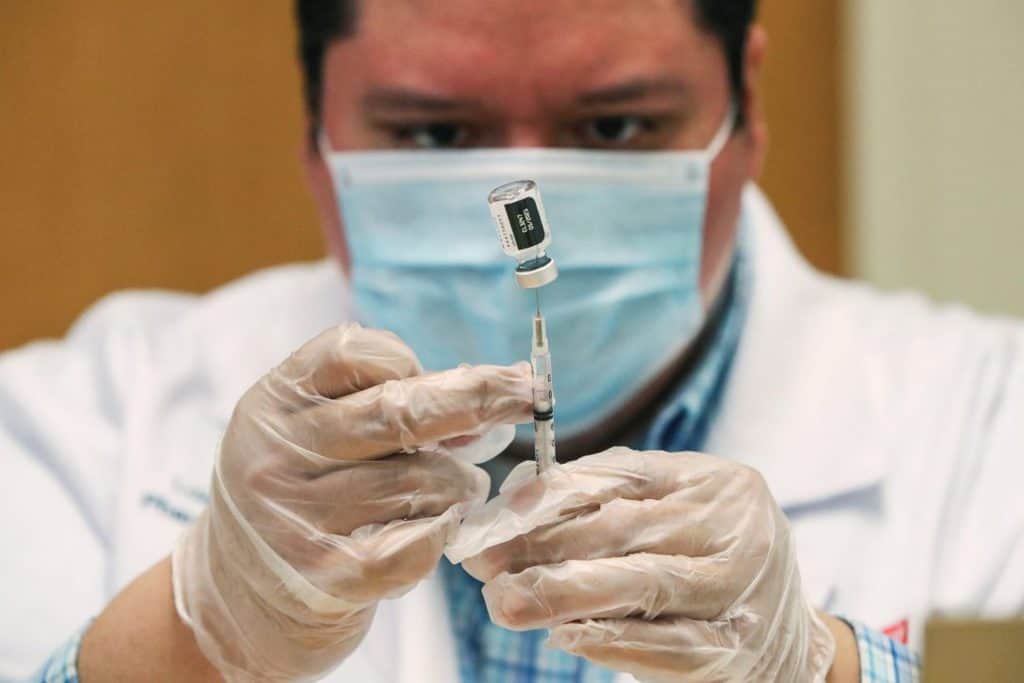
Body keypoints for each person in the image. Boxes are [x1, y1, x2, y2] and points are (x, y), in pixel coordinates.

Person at [4, 0, 1021, 681]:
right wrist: (195, 630)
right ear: (314, 127)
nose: (527, 203)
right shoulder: (74, 428)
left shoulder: (989, 428)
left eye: (615, 128)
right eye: (436, 136)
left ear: (746, 104)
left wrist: (820, 665)